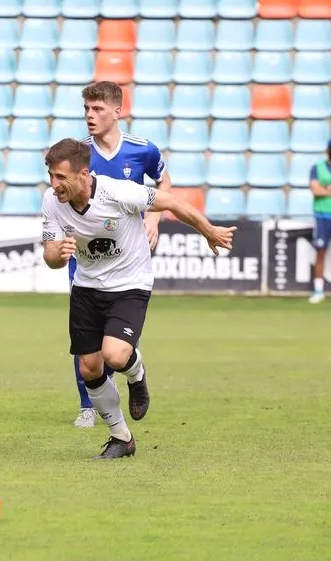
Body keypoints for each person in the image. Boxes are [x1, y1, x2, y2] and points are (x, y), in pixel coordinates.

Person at [41, 139, 235, 458]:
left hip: (129, 284)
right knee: (89, 368)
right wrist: (58, 255)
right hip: (87, 287)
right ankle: (122, 438)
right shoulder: (51, 201)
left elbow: (172, 202)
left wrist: (209, 231)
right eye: (51, 175)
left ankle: (136, 373)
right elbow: (50, 254)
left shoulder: (118, 192)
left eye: (61, 177)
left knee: (115, 356)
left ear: (84, 174)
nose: (54, 183)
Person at [70, 81, 173, 429]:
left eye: (97, 109)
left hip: (127, 256)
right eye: (86, 109)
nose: (89, 115)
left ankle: (129, 376)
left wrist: (154, 219)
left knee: (117, 343)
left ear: (117, 111)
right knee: (85, 337)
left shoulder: (143, 150)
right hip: (86, 255)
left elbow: (164, 182)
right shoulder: (79, 154)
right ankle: (88, 404)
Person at [308, 138, 331, 304]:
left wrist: (324, 188)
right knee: (320, 252)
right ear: (328, 150)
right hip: (322, 216)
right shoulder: (317, 168)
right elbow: (315, 190)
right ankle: (318, 290)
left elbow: (320, 189)